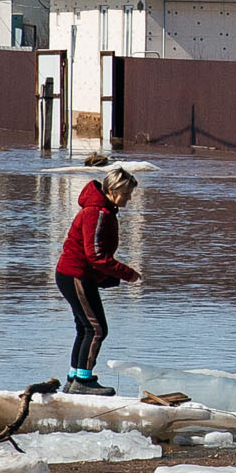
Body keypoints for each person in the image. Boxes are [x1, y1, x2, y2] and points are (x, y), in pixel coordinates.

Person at [56, 168, 140, 394]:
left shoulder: (103, 210)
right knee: (97, 329)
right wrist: (126, 273)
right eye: (127, 193)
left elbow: (95, 256)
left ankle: (74, 379)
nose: (130, 198)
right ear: (113, 191)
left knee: (85, 328)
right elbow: (95, 255)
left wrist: (107, 277)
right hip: (75, 275)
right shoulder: (97, 212)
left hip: (76, 274)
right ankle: (83, 381)